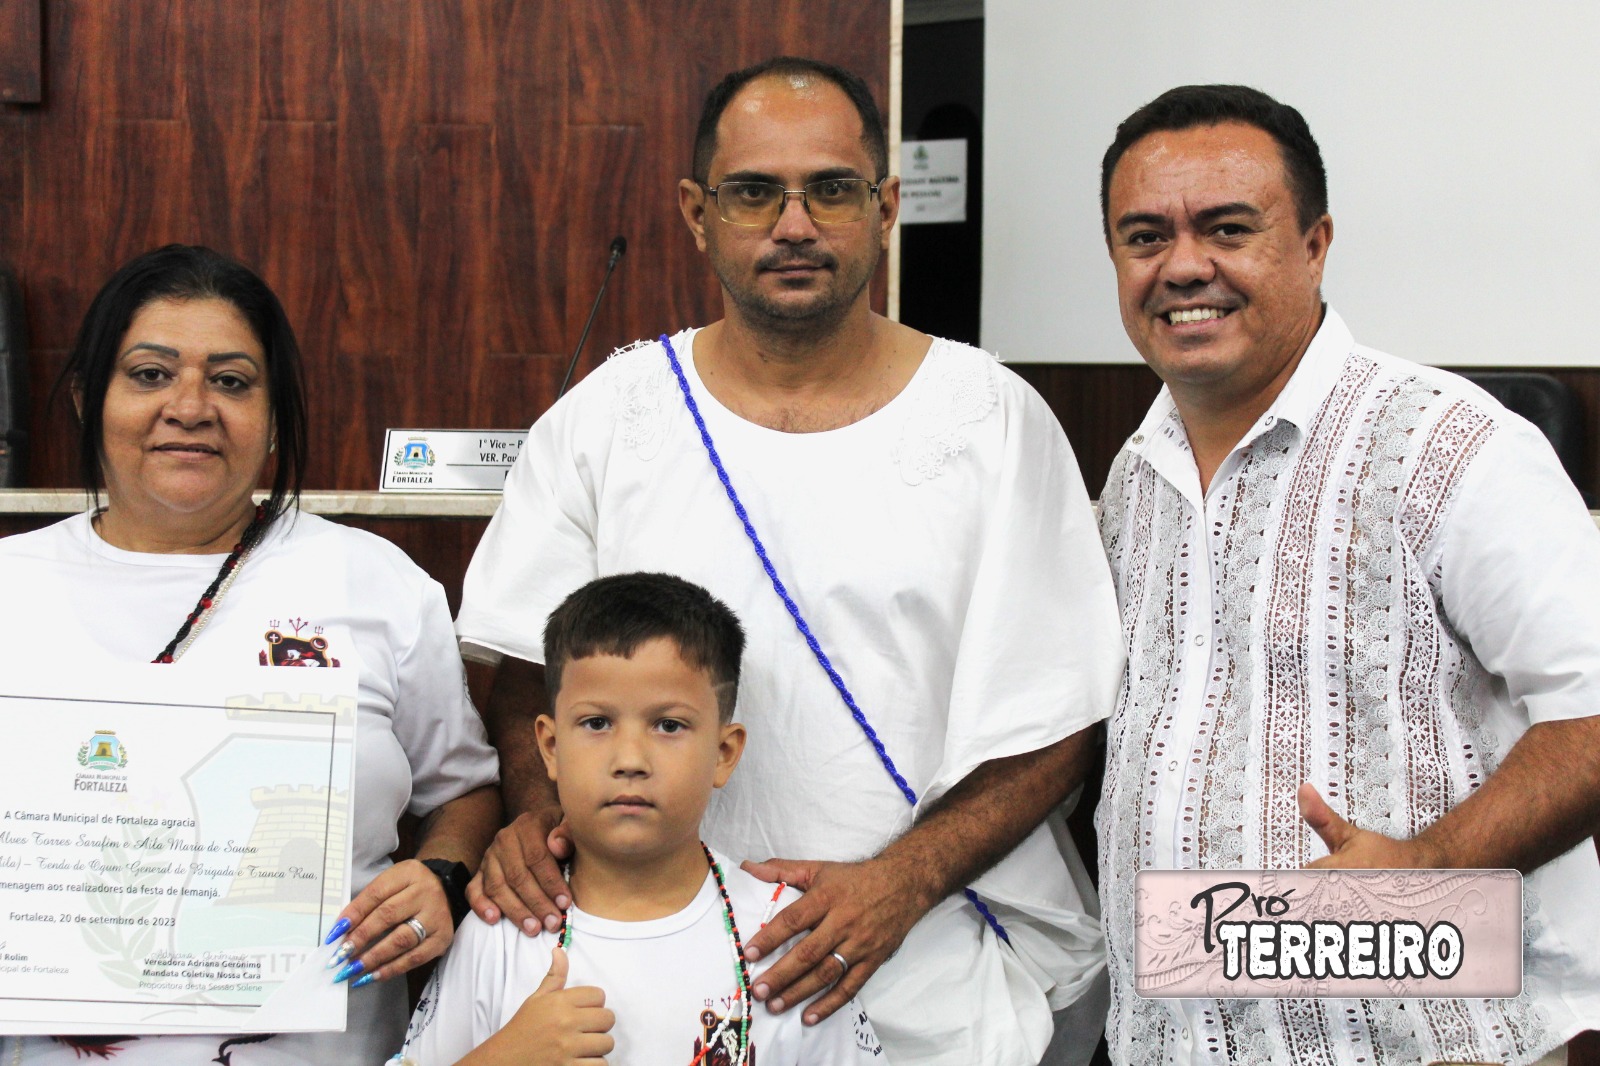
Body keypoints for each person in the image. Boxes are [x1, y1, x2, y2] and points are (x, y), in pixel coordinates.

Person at [454, 56, 1124, 1066]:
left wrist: (899, 884)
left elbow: (1060, 717)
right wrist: (541, 824)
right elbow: (522, 679)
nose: (794, 224)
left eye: (832, 190)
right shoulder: (608, 419)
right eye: (755, 192)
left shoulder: (993, 419)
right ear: (697, 213)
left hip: (935, 965)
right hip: (652, 979)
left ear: (885, 208)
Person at [1095, 84, 1600, 1065]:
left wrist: (1427, 864)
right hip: (1176, 1039)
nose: (1183, 265)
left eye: (1228, 228)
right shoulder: (1132, 476)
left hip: (1422, 1040)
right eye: (1144, 236)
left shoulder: (1451, 444)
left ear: (1315, 243)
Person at [0, 245, 502, 1064]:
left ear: (273, 419)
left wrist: (442, 875)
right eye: (150, 375)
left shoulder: (374, 582)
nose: (190, 407)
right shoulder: (9, 587)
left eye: (231, 381)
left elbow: (467, 791)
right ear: (90, 399)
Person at [394, 572, 885, 1065]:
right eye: (597, 723)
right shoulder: (500, 933)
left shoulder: (786, 938)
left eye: (668, 725)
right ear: (551, 747)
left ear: (723, 753)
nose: (630, 759)